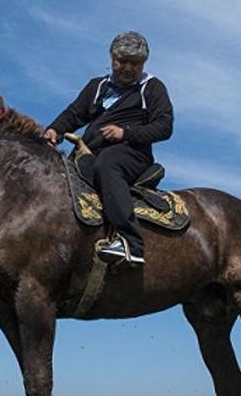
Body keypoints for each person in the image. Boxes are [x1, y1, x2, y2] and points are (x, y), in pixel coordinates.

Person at [43, 31, 174, 265]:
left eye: (134, 63)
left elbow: (165, 126)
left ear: (143, 64)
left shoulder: (151, 88)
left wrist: (126, 133)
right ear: (112, 58)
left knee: (107, 164)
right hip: (89, 153)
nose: (127, 68)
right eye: (121, 61)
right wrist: (55, 130)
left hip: (132, 154)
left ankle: (130, 242)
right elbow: (74, 114)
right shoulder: (97, 86)